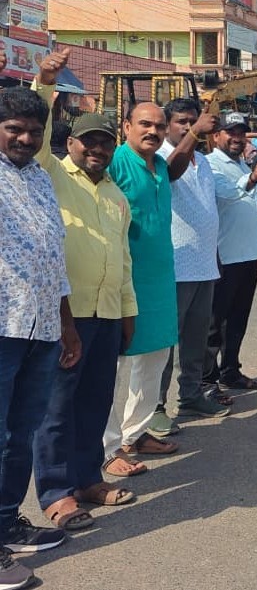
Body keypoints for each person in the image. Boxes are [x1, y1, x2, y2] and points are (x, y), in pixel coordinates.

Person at [31, 56, 137, 534]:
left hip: (109, 313)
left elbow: (123, 258)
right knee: (56, 407)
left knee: (96, 401)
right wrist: (47, 83)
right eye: (88, 141)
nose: (97, 149)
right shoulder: (51, 175)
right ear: (71, 143)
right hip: (66, 314)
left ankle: (87, 478)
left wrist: (129, 312)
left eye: (104, 143)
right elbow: (37, 132)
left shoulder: (115, 193)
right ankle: (56, 495)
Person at [0, 79, 81, 588]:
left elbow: (56, 258)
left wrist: (67, 325)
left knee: (20, 432)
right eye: (13, 130)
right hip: (3, 326)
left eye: (33, 131)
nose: (25, 140)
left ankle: (6, 519)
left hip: (42, 326)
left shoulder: (40, 180)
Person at [104, 102, 188, 475]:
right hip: (122, 279)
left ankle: (134, 434)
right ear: (126, 126)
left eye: (158, 126)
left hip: (158, 279)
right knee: (114, 366)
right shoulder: (116, 162)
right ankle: (107, 449)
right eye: (144, 124)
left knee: (154, 358)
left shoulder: (162, 167)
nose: (152, 131)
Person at [153, 98, 227, 434]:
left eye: (192, 121)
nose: (188, 126)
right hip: (176, 265)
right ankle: (155, 406)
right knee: (168, 343)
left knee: (196, 340)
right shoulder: (161, 157)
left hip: (203, 265)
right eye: (181, 121)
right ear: (168, 125)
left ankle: (192, 395)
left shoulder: (204, 161)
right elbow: (170, 170)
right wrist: (194, 134)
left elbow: (209, 208)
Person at [205, 113, 257, 390]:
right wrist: (253, 179)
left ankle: (230, 370)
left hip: (246, 258)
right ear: (216, 135)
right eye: (230, 132)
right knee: (213, 325)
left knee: (238, 321)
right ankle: (206, 382)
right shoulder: (210, 166)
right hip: (224, 258)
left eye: (241, 133)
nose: (236, 138)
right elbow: (228, 194)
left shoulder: (242, 164)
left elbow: (253, 212)